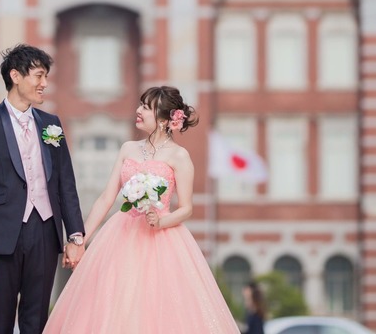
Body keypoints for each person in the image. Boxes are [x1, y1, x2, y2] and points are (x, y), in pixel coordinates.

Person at [42, 86, 241, 333]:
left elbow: (187, 208)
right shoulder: (128, 148)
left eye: (145, 107)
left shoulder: (180, 156)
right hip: (121, 234)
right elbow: (106, 198)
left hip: (162, 239)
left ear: (163, 119)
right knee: (114, 302)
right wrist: (81, 239)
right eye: (140, 105)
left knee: (157, 306)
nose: (138, 111)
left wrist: (160, 221)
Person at [0, 44, 85, 334]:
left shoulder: (51, 124)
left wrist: (76, 236)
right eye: (39, 76)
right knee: (0, 321)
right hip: (0, 237)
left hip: (44, 231)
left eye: (46, 77)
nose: (44, 84)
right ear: (15, 75)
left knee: (36, 320)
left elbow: (66, 183)